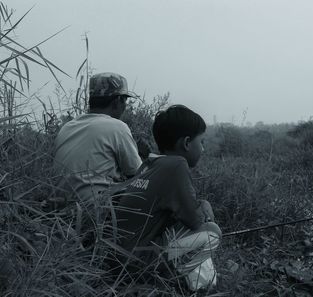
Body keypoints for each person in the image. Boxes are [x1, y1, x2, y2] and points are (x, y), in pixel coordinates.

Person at [113, 105, 221, 291]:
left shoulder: (149, 164)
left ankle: (174, 276)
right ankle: (174, 282)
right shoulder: (177, 165)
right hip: (136, 262)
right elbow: (195, 222)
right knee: (212, 232)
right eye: (201, 142)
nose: (202, 149)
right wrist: (206, 208)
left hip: (119, 256)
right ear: (187, 143)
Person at [53, 72, 142, 202]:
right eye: (125, 100)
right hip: (97, 209)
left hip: (61, 208)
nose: (125, 106)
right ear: (118, 101)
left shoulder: (67, 127)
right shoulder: (117, 127)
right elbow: (137, 175)